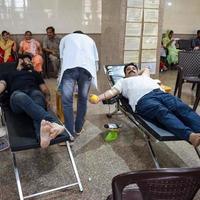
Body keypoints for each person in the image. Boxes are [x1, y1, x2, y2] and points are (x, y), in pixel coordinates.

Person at [90, 62, 200, 148]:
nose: (131, 70)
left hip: (160, 93)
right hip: (143, 100)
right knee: (162, 112)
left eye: (133, 68)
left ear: (138, 71)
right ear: (125, 74)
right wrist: (99, 98)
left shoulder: (144, 76)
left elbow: (146, 69)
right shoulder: (122, 82)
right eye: (128, 69)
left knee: (181, 107)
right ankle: (190, 136)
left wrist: (137, 72)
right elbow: (111, 92)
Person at [0, 54, 65, 148]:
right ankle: (54, 123)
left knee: (38, 95)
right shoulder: (9, 73)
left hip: (34, 93)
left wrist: (47, 98)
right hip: (17, 98)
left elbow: (44, 89)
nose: (31, 62)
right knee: (21, 96)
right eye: (28, 60)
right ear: (20, 60)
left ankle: (43, 138)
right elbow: (2, 84)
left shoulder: (34, 73)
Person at [58, 30, 99, 137]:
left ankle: (69, 132)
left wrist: (60, 77)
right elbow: (96, 61)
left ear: (73, 33)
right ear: (83, 34)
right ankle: (78, 128)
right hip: (87, 69)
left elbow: (62, 59)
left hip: (69, 69)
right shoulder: (90, 40)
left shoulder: (66, 38)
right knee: (82, 99)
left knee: (67, 101)